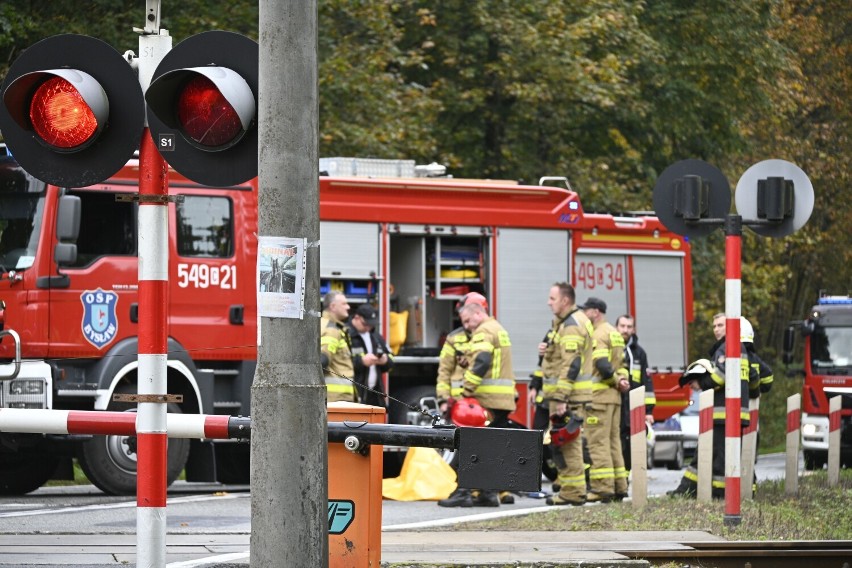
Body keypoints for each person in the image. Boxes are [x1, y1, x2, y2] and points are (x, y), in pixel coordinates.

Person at [438, 300, 516, 508]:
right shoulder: (497, 329)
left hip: (486, 400)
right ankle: (488, 493)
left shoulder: (484, 330)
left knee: (472, 447)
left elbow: (482, 362)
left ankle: (463, 491)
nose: (467, 326)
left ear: (477, 314)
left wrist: (465, 392)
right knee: (489, 449)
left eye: (467, 320)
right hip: (500, 401)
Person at [669, 313, 755, 498]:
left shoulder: (728, 347)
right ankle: (687, 490)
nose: (716, 329)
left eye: (720, 325)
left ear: (731, 327)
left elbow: (720, 376)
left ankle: (719, 495)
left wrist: (701, 383)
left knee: (721, 458)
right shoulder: (736, 348)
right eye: (714, 326)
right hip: (731, 412)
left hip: (725, 412)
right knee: (708, 453)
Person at [532, 283, 594, 507]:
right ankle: (569, 489)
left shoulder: (571, 325)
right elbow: (561, 357)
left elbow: (572, 363)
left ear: (565, 300)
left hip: (569, 397)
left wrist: (560, 398)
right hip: (566, 395)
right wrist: (546, 351)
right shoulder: (563, 323)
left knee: (569, 443)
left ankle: (575, 491)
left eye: (552, 298)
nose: (549, 302)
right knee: (562, 443)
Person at [582, 297, 630, 503]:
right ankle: (620, 486)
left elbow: (601, 363)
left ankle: (603, 489)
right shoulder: (615, 333)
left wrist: (614, 380)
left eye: (586, 311)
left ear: (595, 312)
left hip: (599, 398)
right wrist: (622, 380)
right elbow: (622, 363)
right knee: (613, 442)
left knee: (597, 443)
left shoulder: (599, 333)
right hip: (614, 398)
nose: (584, 315)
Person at [616, 314, 656, 471]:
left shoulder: (639, 353)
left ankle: (624, 479)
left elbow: (647, 382)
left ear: (633, 329)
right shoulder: (611, 349)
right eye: (622, 326)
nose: (625, 330)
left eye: (628, 327)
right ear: (616, 327)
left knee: (630, 446)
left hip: (633, 407)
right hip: (616, 405)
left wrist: (649, 411)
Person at [348, 303, 394, 407]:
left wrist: (385, 360)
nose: (368, 328)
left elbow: (391, 359)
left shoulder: (376, 337)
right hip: (355, 392)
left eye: (371, 324)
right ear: (357, 317)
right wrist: (361, 362)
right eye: (365, 324)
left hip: (374, 393)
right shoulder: (347, 334)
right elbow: (340, 363)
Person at [320, 291, 358, 403]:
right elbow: (323, 360)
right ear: (333, 306)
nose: (348, 307)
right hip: (337, 399)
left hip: (337, 398)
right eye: (344, 304)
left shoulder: (327, 325)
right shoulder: (331, 329)